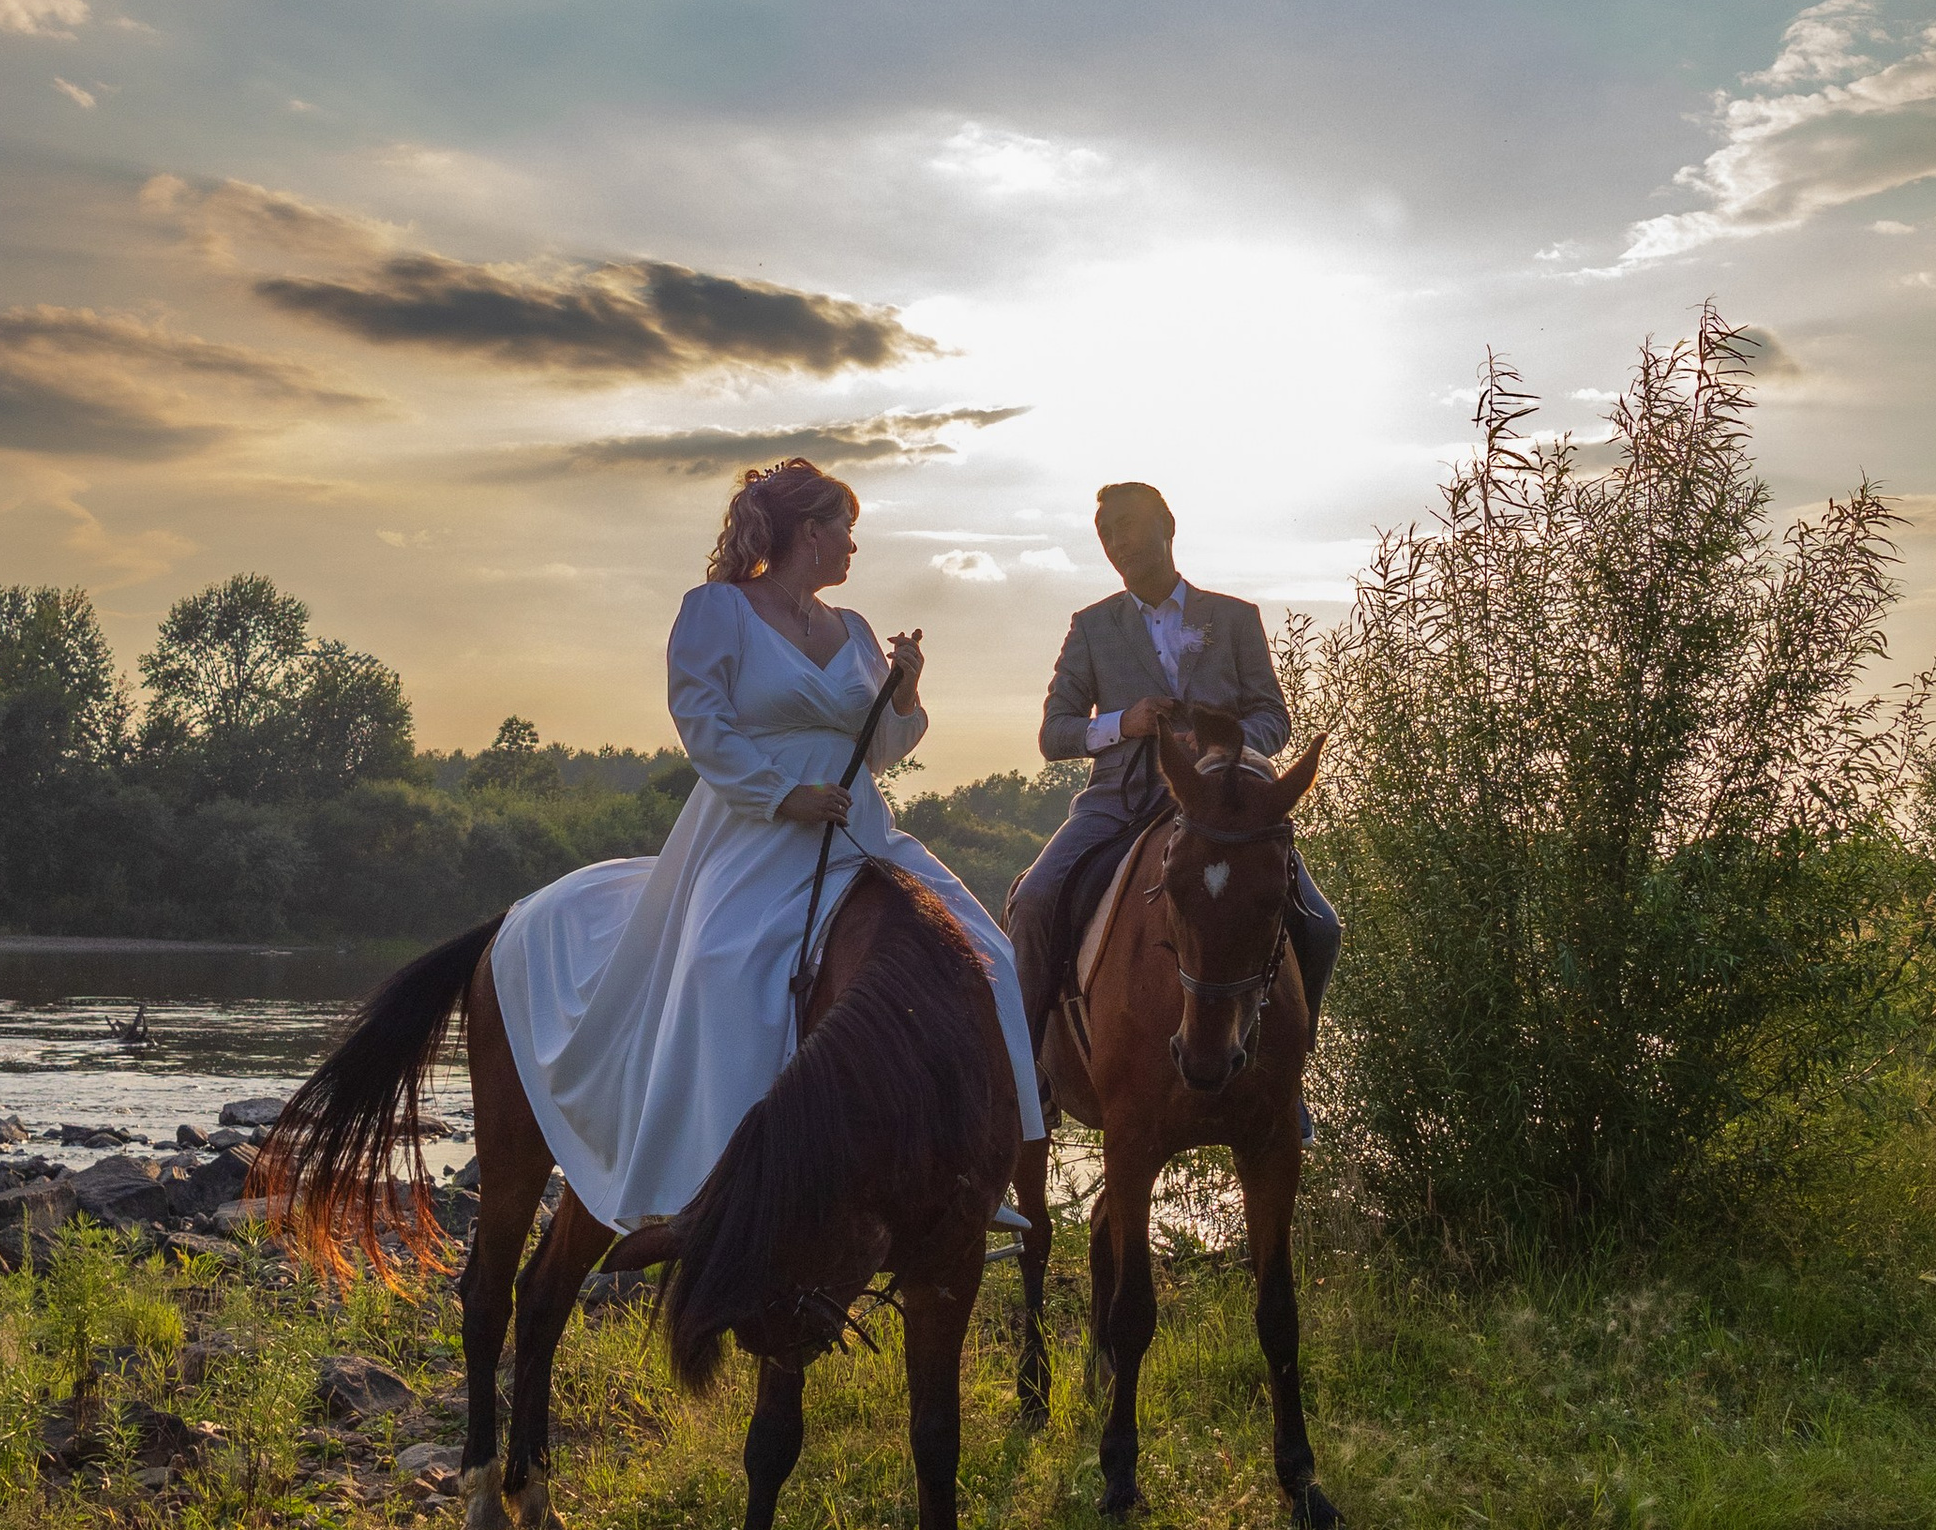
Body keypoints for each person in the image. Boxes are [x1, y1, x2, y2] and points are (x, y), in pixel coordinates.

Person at [491, 458, 1044, 1232]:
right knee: (724, 963)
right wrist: (784, 795)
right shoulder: (717, 610)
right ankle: (713, 1188)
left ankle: (988, 1167)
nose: (855, 545)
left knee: (983, 950)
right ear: (810, 532)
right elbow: (702, 721)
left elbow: (878, 747)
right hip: (751, 828)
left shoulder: (853, 631)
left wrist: (907, 690)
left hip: (860, 826)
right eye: (847, 527)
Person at [1006, 478, 1342, 1071]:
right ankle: (1026, 1075)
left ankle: (1292, 1076)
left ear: (1168, 525)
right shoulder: (1090, 627)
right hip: (1115, 804)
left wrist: (1222, 752)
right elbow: (1053, 733)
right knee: (1032, 901)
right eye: (1106, 533)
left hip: (1220, 810)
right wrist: (1123, 722)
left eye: (1129, 525)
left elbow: (1272, 715)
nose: (1117, 541)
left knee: (1321, 928)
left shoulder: (1236, 619)